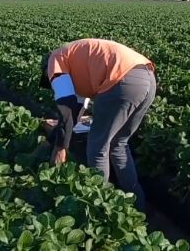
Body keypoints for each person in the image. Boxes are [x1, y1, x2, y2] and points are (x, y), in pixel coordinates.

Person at [40, 39, 156, 210]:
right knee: (119, 143)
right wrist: (61, 134)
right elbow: (75, 110)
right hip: (147, 78)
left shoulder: (55, 60)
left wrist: (59, 148)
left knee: (97, 146)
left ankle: (100, 206)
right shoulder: (77, 59)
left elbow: (65, 106)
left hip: (121, 80)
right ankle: (139, 205)